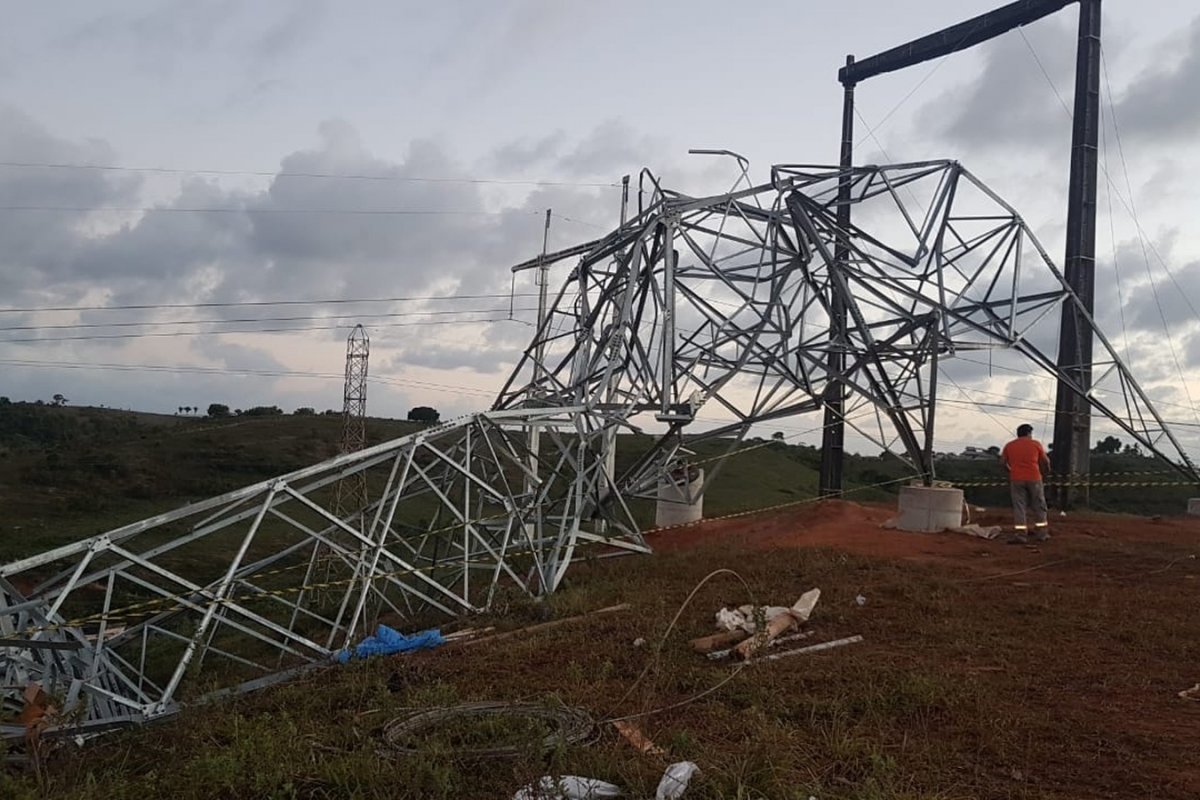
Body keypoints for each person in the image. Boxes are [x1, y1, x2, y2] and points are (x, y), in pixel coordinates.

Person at [1000, 423, 1051, 543]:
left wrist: (1010, 471)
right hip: (1034, 477)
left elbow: (1002, 463)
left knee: (1019, 506)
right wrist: (1045, 473)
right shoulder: (1035, 444)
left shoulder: (1009, 445)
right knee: (1039, 505)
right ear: (1029, 433)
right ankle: (1042, 533)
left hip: (1016, 478)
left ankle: (1020, 535)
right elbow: (1046, 461)